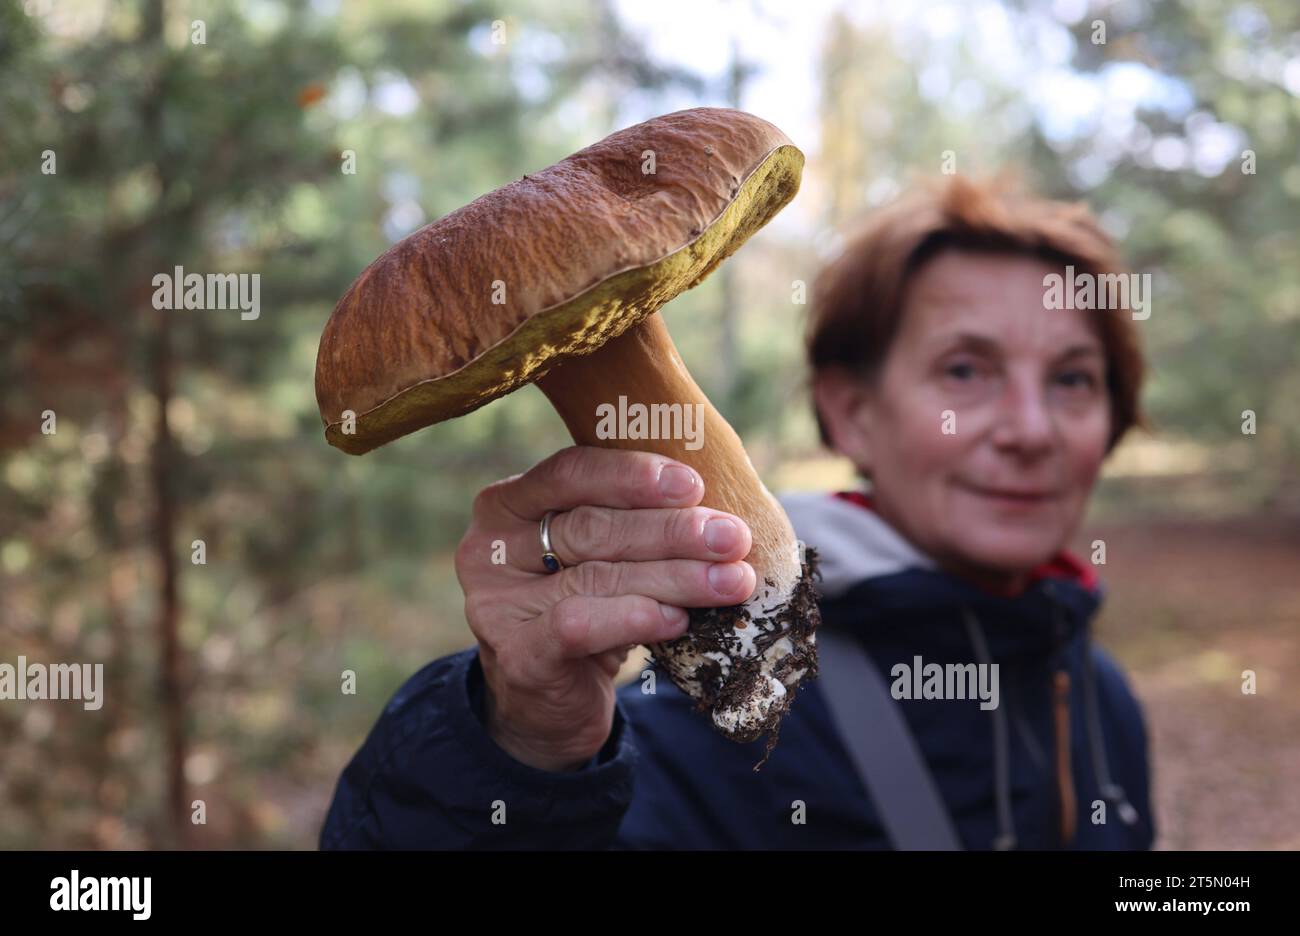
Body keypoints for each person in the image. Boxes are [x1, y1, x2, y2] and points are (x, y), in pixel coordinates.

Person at [319, 175, 1156, 850]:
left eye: (1075, 379)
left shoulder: (1093, 687)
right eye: (966, 371)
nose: (1030, 430)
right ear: (849, 409)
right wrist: (519, 745)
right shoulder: (719, 726)